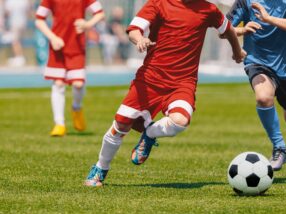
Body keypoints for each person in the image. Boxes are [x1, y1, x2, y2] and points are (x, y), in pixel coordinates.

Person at [85, 0, 246, 187]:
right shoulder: (158, 3)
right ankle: (101, 167)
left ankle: (150, 133)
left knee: (181, 121)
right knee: (121, 124)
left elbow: (227, 31)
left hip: (182, 82)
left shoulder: (208, 9)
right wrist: (140, 40)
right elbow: (134, 29)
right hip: (149, 80)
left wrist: (237, 51)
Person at [226, 0, 286, 180]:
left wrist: (269, 18)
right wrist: (241, 30)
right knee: (263, 97)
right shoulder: (244, 2)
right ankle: (279, 147)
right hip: (258, 62)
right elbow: (224, 29)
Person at [35, 0, 105, 136]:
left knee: (78, 84)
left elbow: (100, 13)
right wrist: (52, 38)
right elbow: (39, 20)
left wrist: (87, 24)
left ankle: (77, 108)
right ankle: (59, 124)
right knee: (58, 83)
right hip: (57, 45)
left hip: (77, 47)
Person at [4, 0, 29, 67]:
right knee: (19, 40)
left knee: (15, 41)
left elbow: (7, 12)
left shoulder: (10, 1)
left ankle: (19, 57)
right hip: (23, 22)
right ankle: (19, 56)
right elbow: (28, 10)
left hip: (14, 22)